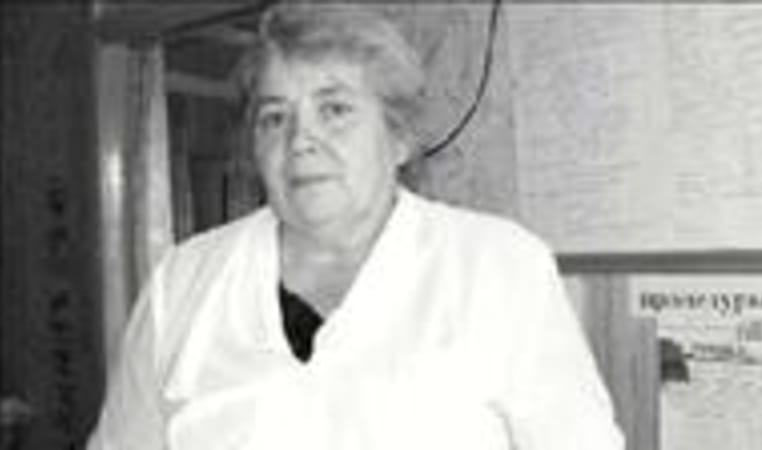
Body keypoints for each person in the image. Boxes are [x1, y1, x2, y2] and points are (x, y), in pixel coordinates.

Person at [87, 4, 624, 449]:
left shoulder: (498, 267)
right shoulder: (182, 284)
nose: (301, 140)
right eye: (275, 117)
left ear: (399, 137)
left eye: (335, 109)